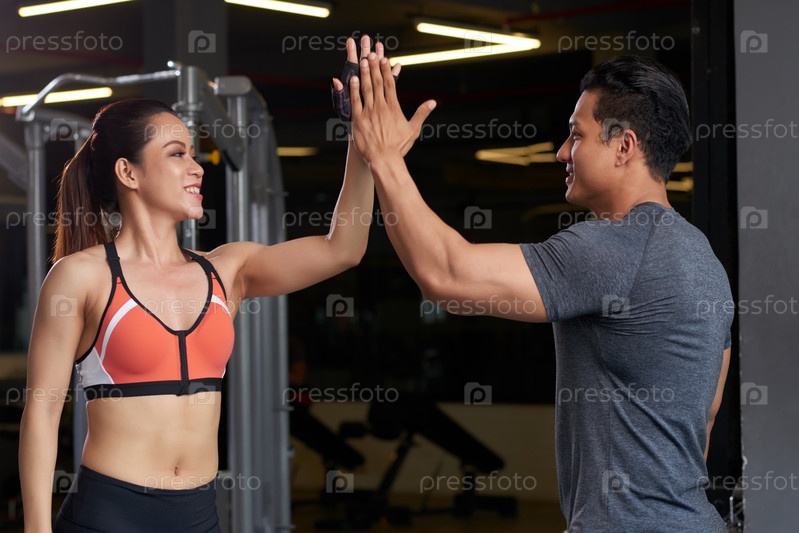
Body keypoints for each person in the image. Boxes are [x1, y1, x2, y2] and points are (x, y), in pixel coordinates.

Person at [345, 43, 733, 531]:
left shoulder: (616, 247)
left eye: (577, 135)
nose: (562, 151)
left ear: (624, 146)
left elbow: (447, 276)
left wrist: (384, 158)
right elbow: (704, 418)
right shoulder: (703, 259)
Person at [18, 36, 393, 533]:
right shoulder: (80, 276)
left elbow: (343, 249)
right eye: (177, 154)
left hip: (198, 516)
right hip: (108, 517)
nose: (197, 167)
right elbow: (42, 413)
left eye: (195, 153)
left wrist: (363, 141)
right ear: (128, 172)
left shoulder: (227, 270)